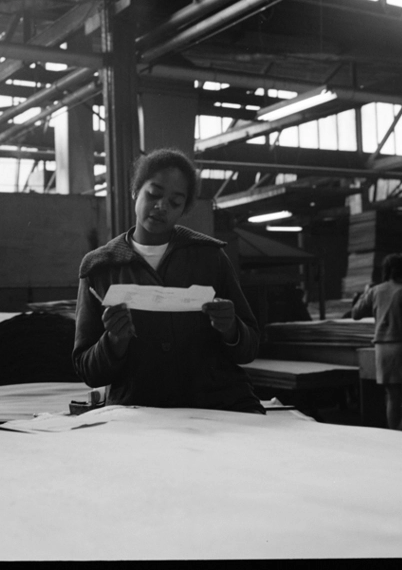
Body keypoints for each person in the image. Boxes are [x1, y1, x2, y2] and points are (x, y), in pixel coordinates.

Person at [73, 148, 264, 414]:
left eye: (175, 202)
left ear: (184, 210)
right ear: (135, 191)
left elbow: (249, 348)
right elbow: (87, 371)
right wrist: (114, 341)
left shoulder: (210, 257)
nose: (161, 206)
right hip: (139, 410)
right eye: (153, 194)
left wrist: (231, 328)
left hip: (217, 406)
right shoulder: (100, 268)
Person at [352, 253, 402, 432]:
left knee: (393, 396)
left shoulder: (374, 291)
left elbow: (355, 314)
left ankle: (395, 437)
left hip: (381, 348)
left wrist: (366, 292)